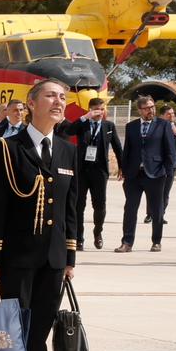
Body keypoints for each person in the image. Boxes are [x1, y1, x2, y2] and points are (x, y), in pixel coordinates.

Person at [0, 78, 76, 351]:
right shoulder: (7, 148)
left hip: (52, 260)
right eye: (51, 95)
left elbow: (70, 210)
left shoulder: (67, 150)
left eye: (63, 97)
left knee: (38, 334)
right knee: (9, 332)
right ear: (31, 104)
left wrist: (69, 258)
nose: (58, 101)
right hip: (15, 259)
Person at [56, 97, 120, 250]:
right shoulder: (83, 124)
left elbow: (117, 147)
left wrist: (122, 166)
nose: (100, 112)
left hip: (100, 171)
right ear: (90, 109)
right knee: (79, 205)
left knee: (99, 205)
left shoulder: (108, 126)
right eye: (96, 109)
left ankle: (98, 232)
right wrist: (85, 118)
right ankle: (79, 238)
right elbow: (68, 131)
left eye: (102, 109)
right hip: (81, 170)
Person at [118, 95, 176, 252]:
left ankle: (156, 241)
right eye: (147, 108)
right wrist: (123, 169)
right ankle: (127, 242)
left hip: (156, 174)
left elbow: (170, 150)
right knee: (130, 209)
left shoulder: (163, 125)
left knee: (157, 209)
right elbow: (127, 150)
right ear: (140, 110)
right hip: (133, 175)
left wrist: (168, 172)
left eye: (152, 107)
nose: (151, 110)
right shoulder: (131, 126)